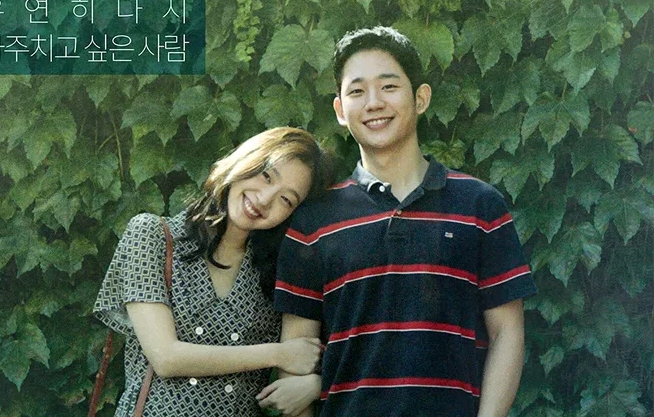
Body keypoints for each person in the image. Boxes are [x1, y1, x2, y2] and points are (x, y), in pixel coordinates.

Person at [267, 27, 537, 416]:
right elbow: (295, 356)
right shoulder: (313, 223)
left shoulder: (481, 206)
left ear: (420, 98)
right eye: (357, 91)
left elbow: (507, 334)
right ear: (340, 110)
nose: (374, 102)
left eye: (389, 86)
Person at [94, 127, 334, 416]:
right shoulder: (151, 235)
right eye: (266, 176)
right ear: (244, 161)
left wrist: (316, 384)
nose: (265, 199)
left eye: (286, 200)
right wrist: (277, 354)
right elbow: (166, 357)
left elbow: (302, 366)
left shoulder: (279, 270)